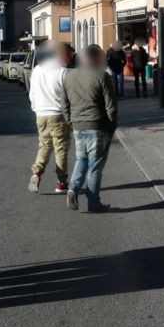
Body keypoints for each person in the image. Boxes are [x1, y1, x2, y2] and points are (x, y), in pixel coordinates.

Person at [62, 44, 118, 213]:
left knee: (82, 159)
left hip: (78, 125)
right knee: (94, 167)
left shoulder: (68, 77)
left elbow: (64, 105)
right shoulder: (102, 76)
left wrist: (71, 123)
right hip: (97, 126)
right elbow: (111, 106)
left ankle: (73, 188)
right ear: (96, 58)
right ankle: (94, 203)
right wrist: (112, 126)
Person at [28, 42, 71, 194]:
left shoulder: (37, 70)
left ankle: (37, 172)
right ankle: (61, 183)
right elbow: (68, 97)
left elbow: (31, 92)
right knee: (60, 149)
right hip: (58, 114)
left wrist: (35, 108)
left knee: (44, 146)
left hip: (41, 113)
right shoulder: (63, 72)